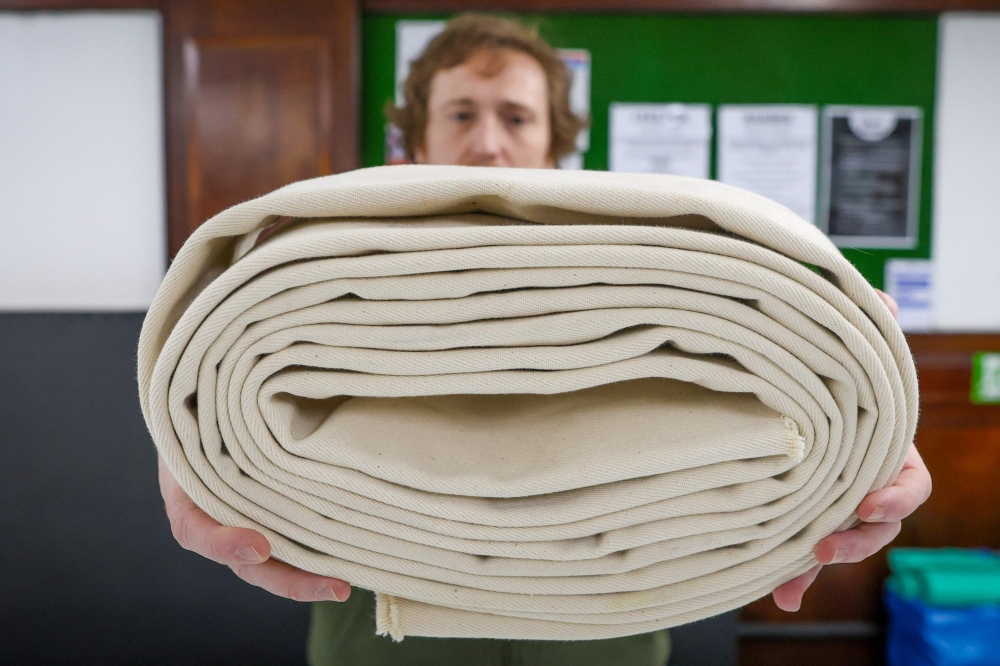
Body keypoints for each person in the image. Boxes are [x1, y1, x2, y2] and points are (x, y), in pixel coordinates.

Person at [157, 13, 932, 666]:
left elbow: (761, 386)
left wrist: (865, 407)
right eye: (461, 113)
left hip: (604, 613)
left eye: (515, 116)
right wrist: (192, 438)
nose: (489, 144)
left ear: (556, 143)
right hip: (384, 602)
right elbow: (238, 376)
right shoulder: (332, 265)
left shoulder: (652, 267)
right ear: (414, 136)